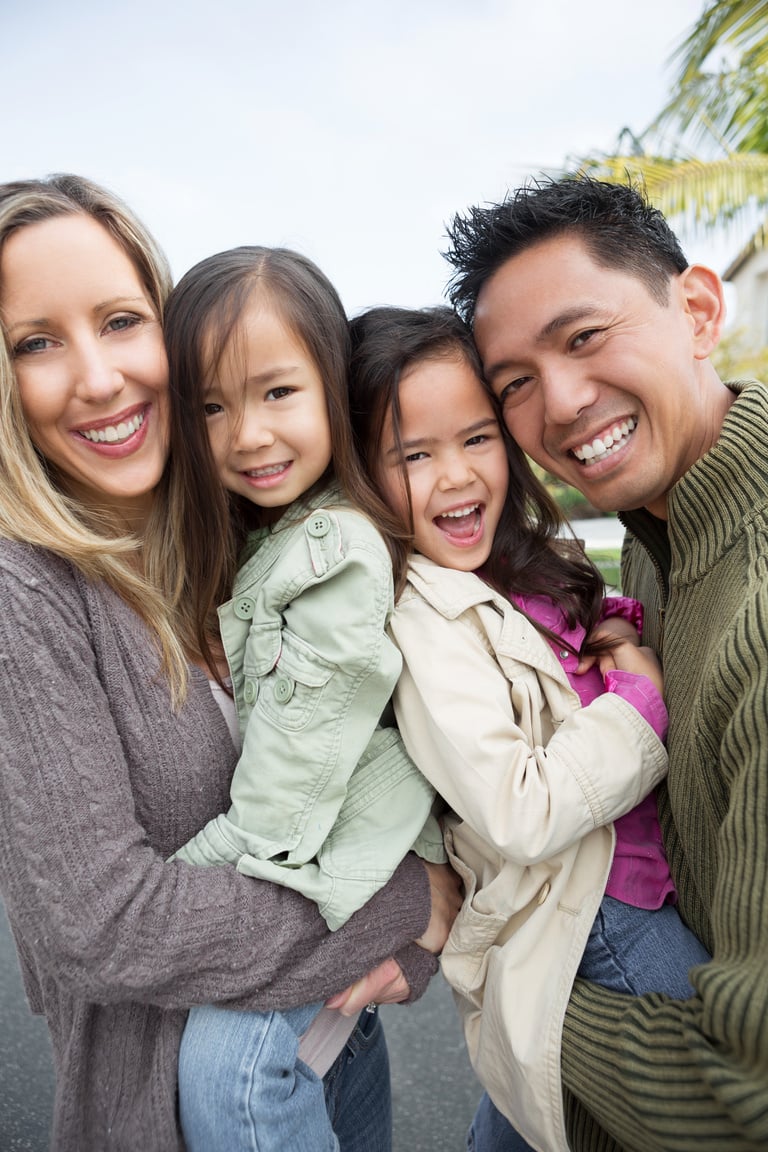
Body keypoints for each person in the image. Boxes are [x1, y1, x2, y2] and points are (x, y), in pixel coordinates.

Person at [0, 174, 459, 1152]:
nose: (95, 376)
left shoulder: (231, 540)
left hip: (332, 1040)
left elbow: (367, 766)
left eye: (121, 321)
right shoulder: (24, 595)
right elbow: (104, 924)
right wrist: (409, 906)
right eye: (35, 342)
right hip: (174, 1105)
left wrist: (404, 956)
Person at [444, 174, 768, 1151]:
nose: (564, 403)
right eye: (515, 384)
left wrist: (520, 995)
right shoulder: (658, 538)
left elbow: (747, 1096)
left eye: (585, 338)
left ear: (700, 310)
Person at [347, 304, 711, 1152]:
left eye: (476, 439)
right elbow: (517, 809)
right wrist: (638, 706)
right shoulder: (419, 614)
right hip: (599, 915)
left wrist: (616, 634)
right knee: (715, 1096)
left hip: (630, 884)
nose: (458, 476)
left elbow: (575, 644)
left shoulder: (517, 566)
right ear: (364, 474)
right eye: (413, 455)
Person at [161, 245, 445, 1152]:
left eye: (277, 392)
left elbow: (279, 800)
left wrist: (163, 891)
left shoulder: (334, 553)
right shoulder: (270, 539)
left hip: (335, 864)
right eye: (210, 405)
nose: (246, 434)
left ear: (333, 387)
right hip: (325, 867)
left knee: (234, 1072)